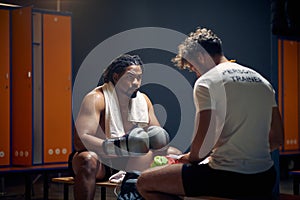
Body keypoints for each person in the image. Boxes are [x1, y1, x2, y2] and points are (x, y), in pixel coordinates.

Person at [136, 27, 284, 199]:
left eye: (193, 68)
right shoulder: (262, 81)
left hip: (225, 177)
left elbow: (203, 147)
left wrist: (186, 158)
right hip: (264, 178)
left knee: (144, 182)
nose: (196, 73)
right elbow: (277, 138)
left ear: (200, 56)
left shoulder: (206, 82)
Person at [70, 54, 179, 200]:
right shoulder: (97, 98)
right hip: (102, 162)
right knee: (87, 159)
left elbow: (158, 140)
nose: (136, 83)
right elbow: (80, 141)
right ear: (116, 77)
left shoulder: (143, 100)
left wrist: (157, 145)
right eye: (130, 77)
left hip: (129, 162)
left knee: (173, 152)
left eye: (139, 78)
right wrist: (119, 145)